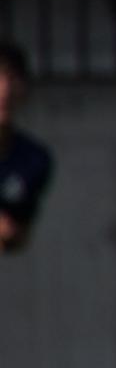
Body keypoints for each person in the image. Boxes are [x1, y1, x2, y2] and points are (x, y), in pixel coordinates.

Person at [0, 40, 39, 259]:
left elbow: (17, 238)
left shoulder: (33, 159)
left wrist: (9, 235)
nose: (4, 90)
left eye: (11, 78)